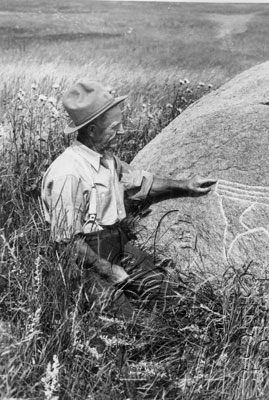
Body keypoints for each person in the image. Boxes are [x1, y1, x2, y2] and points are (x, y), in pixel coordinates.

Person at [41, 80, 215, 316]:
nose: (120, 133)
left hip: (115, 242)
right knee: (124, 325)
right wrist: (107, 269)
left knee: (167, 294)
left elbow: (142, 183)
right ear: (92, 130)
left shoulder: (107, 159)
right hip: (84, 259)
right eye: (114, 127)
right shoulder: (68, 173)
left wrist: (185, 185)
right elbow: (67, 241)